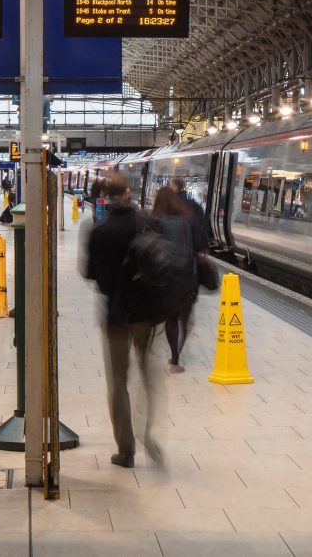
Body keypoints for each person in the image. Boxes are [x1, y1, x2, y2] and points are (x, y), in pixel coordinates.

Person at [80, 175, 162, 467]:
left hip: (115, 316)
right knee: (148, 375)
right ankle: (148, 433)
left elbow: (88, 274)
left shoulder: (98, 231)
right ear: (129, 193)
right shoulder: (148, 223)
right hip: (145, 314)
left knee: (118, 382)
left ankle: (126, 450)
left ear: (104, 195)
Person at [152, 182, 207, 369]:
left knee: (171, 318)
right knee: (185, 317)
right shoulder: (187, 219)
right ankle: (180, 351)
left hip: (168, 278)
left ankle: (175, 357)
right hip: (188, 276)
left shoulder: (156, 222)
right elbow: (200, 244)